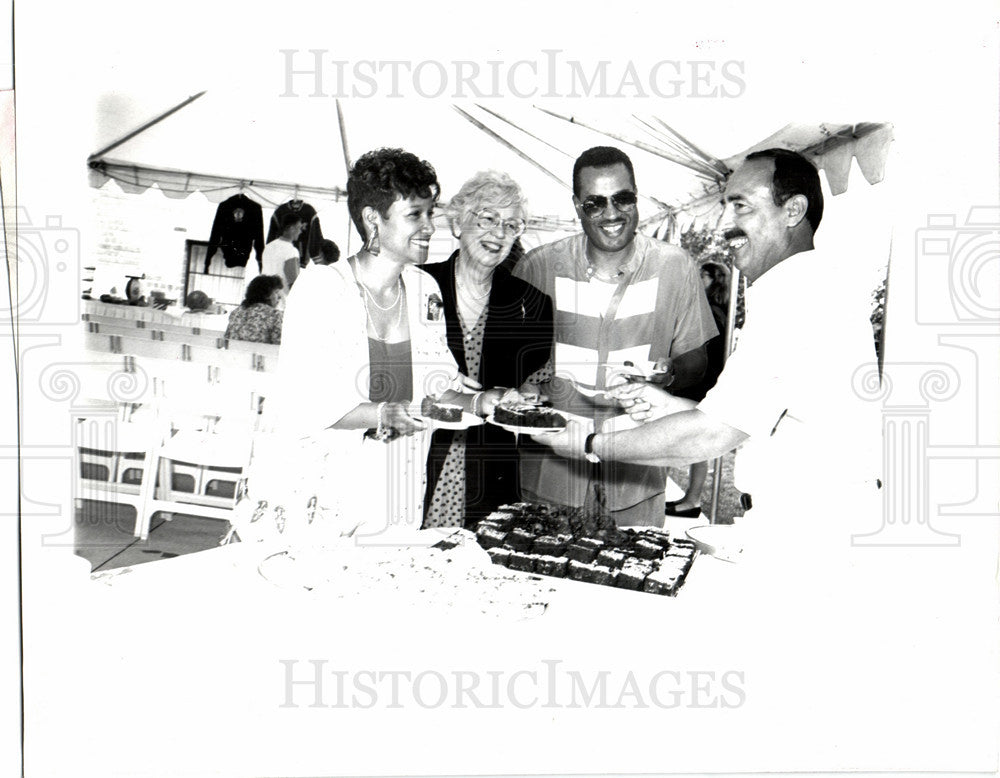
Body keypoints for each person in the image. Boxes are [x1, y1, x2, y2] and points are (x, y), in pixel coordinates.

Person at [533, 149, 881, 572]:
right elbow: (751, 416)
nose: (726, 224)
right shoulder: (800, 285)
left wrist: (588, 443)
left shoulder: (798, 296)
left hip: (814, 531)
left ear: (793, 210)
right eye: (725, 206)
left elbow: (713, 434)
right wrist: (667, 404)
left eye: (742, 206)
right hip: (808, 522)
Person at [272, 148, 480, 533]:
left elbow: (440, 393)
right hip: (323, 488)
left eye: (430, 213)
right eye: (415, 214)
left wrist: (486, 401)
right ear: (372, 219)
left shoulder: (424, 289)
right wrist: (384, 414)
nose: (430, 227)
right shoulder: (322, 289)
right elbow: (302, 404)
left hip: (396, 487)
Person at [512, 146, 718, 527]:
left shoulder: (676, 267)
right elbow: (508, 364)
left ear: (636, 195)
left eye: (622, 198)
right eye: (594, 203)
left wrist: (667, 373)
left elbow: (697, 360)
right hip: (550, 478)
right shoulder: (537, 267)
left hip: (635, 478)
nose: (611, 213)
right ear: (577, 205)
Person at [420, 171, 554, 528]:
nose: (499, 233)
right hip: (416, 456)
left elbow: (536, 382)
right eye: (488, 218)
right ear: (458, 223)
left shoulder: (532, 304)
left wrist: (528, 396)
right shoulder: (417, 285)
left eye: (512, 225)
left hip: (491, 467)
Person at [665, 260, 731, 518]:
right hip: (703, 382)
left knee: (692, 442)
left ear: (715, 281)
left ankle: (692, 500)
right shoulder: (716, 311)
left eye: (701, 277)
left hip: (700, 383)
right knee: (691, 443)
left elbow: (700, 353)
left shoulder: (712, 313)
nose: (695, 281)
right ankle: (690, 499)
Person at [225, 274, 284, 344]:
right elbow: (279, 344)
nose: (279, 297)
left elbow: (227, 337)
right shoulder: (275, 315)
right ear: (266, 295)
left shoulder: (236, 312)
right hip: (260, 354)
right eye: (276, 292)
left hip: (233, 353)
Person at [261, 212, 305, 291]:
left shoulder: (268, 246)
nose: (300, 232)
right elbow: (293, 281)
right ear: (291, 228)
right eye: (299, 228)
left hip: (266, 293)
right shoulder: (291, 251)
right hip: (282, 297)